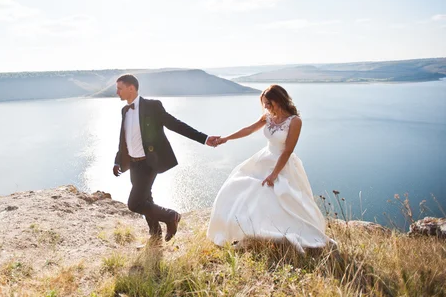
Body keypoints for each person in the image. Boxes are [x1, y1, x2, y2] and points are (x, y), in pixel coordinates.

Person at [207, 85, 333, 252]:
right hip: (264, 158)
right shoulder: (268, 117)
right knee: (239, 185)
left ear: (279, 100)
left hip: (282, 163)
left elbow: (288, 150)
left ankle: (278, 232)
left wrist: (274, 174)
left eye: (268, 103)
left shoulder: (295, 121)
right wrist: (226, 139)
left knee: (278, 196)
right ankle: (244, 231)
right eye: (264, 103)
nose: (265, 106)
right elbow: (249, 129)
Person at [113, 74, 219, 243]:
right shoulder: (124, 110)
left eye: (119, 88)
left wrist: (204, 139)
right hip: (133, 164)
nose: (116, 92)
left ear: (131, 88)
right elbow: (124, 139)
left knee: (134, 204)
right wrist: (118, 160)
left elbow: (175, 124)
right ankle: (155, 236)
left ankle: (171, 216)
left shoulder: (152, 106)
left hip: (149, 163)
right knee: (146, 199)